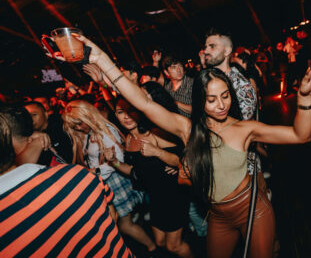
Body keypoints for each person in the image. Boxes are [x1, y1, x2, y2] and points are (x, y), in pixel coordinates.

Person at [71, 34, 311, 257]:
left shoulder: (244, 128)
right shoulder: (188, 129)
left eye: (226, 96)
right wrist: (103, 59)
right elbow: (142, 103)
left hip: (253, 210)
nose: (221, 105)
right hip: (218, 216)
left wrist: (304, 97)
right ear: (199, 101)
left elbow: (301, 135)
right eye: (212, 99)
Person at [0, 107, 134, 257]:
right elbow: (111, 217)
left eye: (79, 123)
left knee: (128, 223)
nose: (77, 127)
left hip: (107, 179)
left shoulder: (86, 140)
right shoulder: (78, 174)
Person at [61, 100, 157, 254]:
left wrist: (93, 172)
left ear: (89, 116)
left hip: (115, 180)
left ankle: (153, 248)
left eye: (80, 123)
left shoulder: (106, 131)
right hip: (106, 182)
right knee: (122, 221)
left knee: (123, 224)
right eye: (74, 125)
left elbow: (117, 160)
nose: (78, 127)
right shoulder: (88, 133)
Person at [110, 84, 193, 258]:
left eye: (131, 110)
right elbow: (135, 171)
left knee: (173, 246)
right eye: (120, 112)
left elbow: (184, 161)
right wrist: (114, 163)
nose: (126, 116)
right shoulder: (128, 139)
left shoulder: (153, 132)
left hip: (173, 194)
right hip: (155, 198)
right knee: (160, 242)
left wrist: (158, 152)